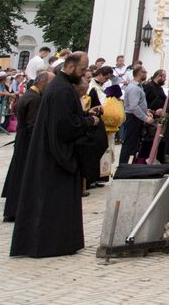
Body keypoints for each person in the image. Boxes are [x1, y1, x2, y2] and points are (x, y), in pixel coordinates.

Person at [10, 53, 101, 257]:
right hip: (55, 157)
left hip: (51, 153)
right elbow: (64, 127)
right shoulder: (61, 90)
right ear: (69, 66)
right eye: (82, 68)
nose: (84, 72)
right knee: (50, 201)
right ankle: (50, 243)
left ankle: (58, 242)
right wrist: (88, 122)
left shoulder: (62, 87)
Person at [2, 71, 50, 221]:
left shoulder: (30, 95)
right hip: (27, 142)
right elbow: (32, 124)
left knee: (19, 175)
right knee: (22, 176)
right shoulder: (34, 98)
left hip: (23, 139)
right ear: (42, 83)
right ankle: (16, 211)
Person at [119, 67, 152, 167]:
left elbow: (139, 103)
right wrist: (145, 118)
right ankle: (122, 167)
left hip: (136, 117)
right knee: (129, 144)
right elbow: (134, 106)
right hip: (133, 118)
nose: (146, 74)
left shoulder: (139, 86)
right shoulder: (134, 88)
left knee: (134, 144)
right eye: (144, 72)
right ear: (138, 73)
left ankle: (128, 165)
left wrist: (146, 111)